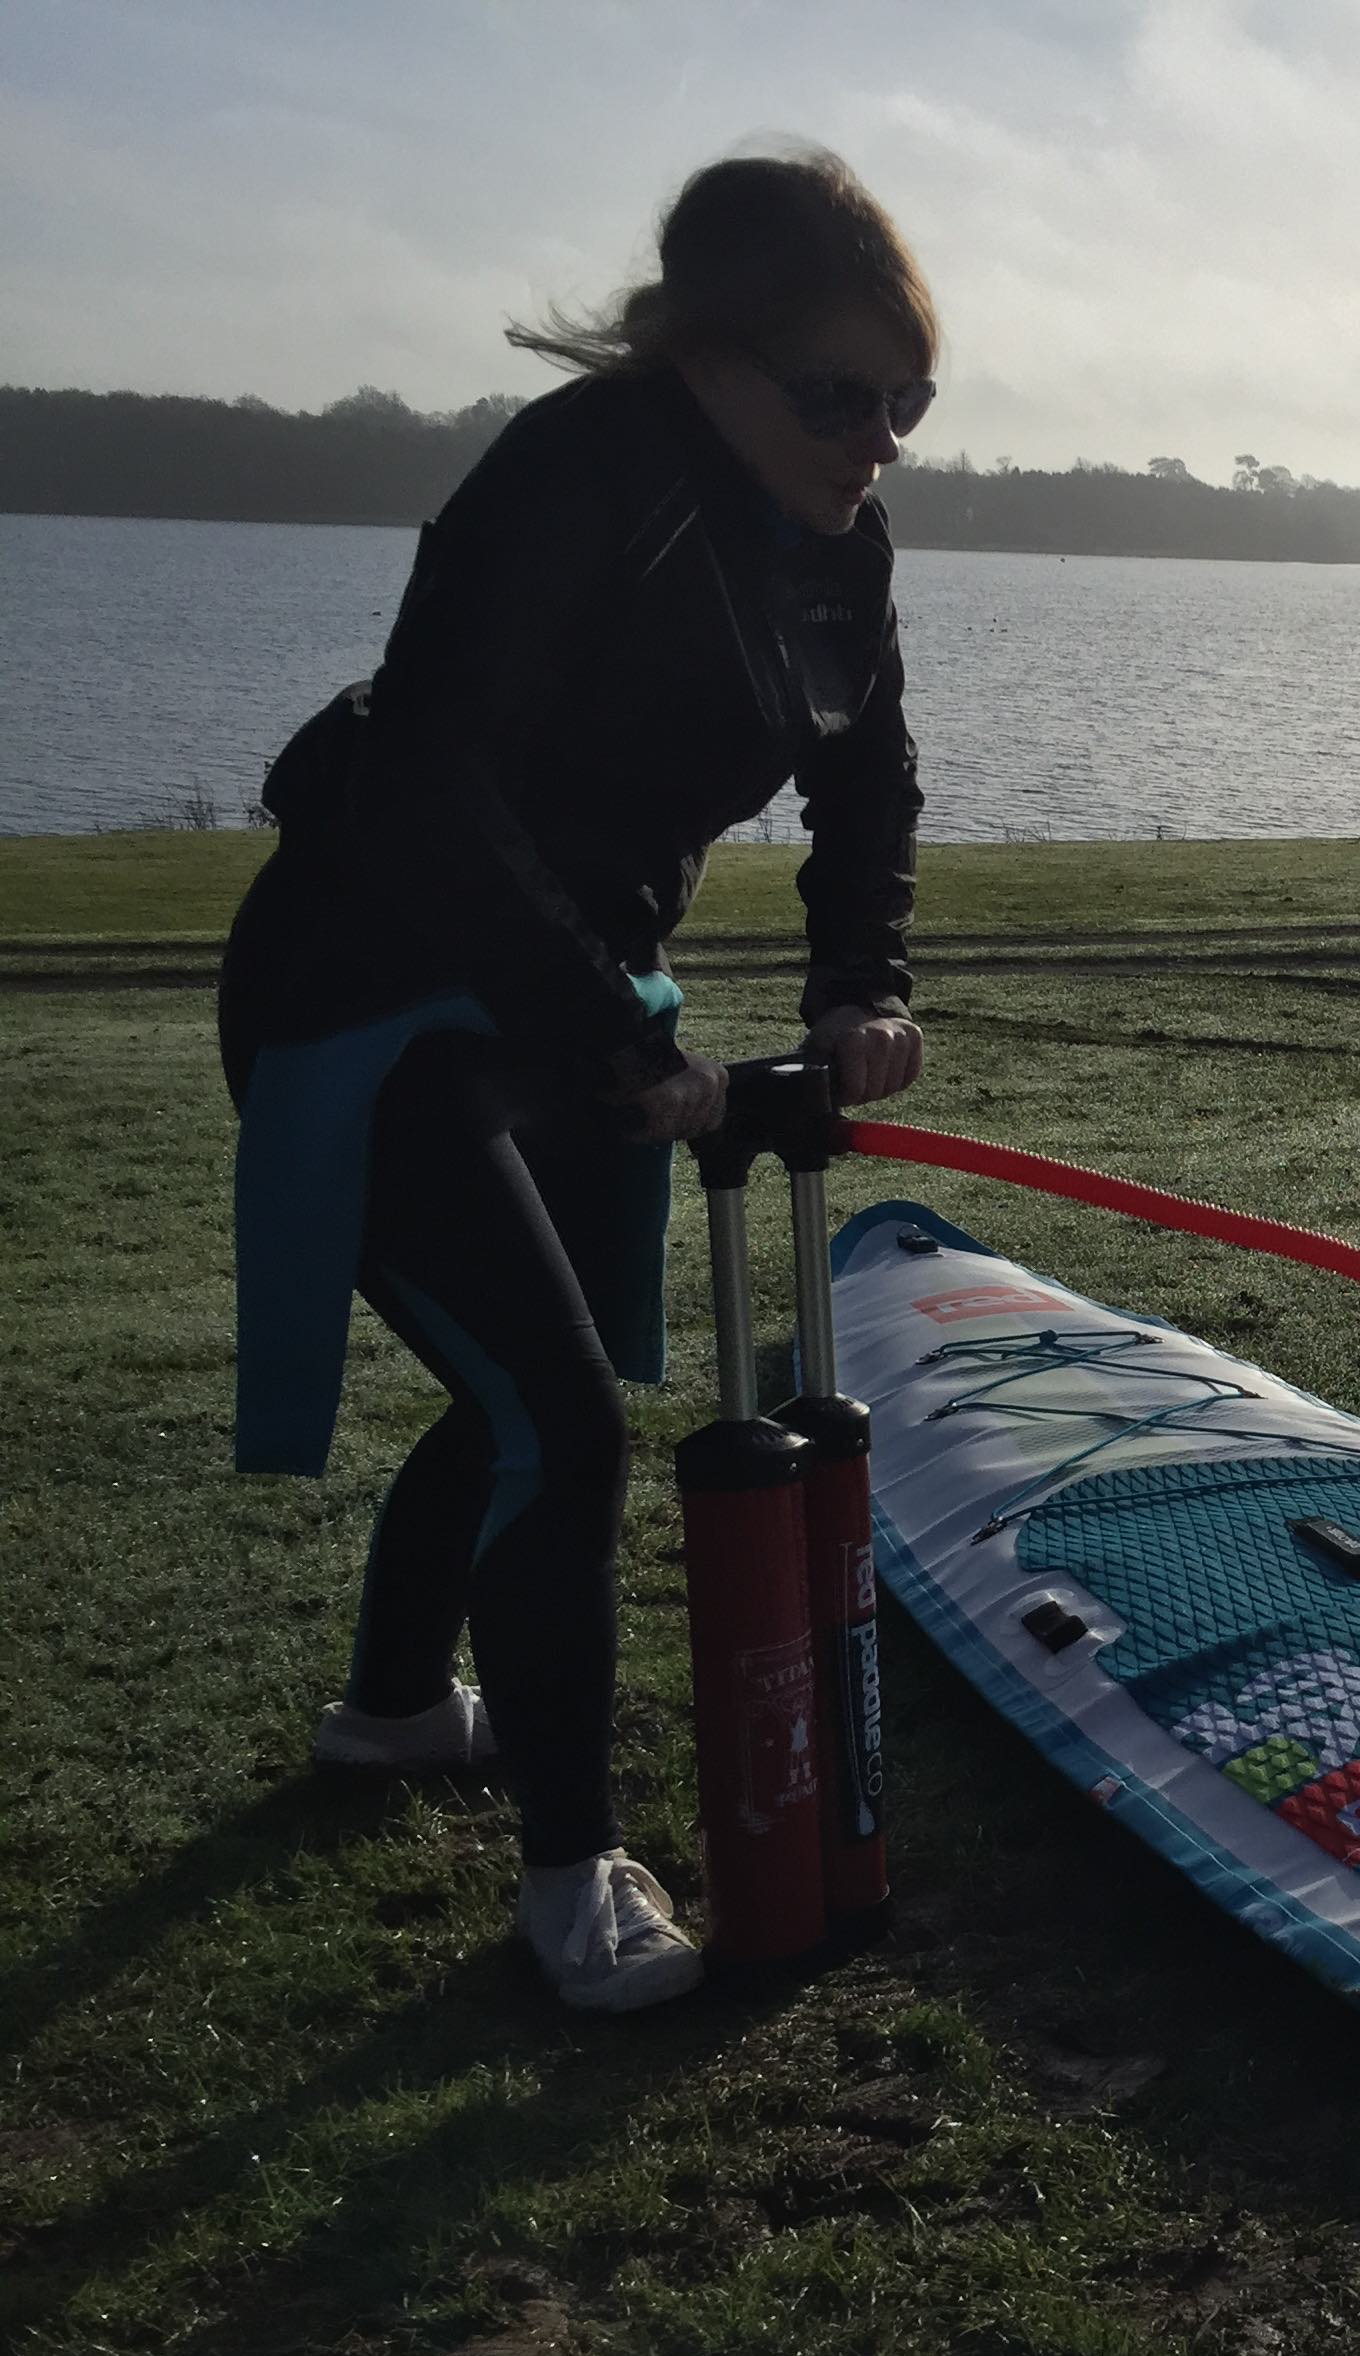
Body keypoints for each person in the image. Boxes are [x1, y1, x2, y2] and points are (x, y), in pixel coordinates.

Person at [219, 147, 936, 2011]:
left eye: (906, 402)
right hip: (371, 995)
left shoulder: (843, 546)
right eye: (838, 395)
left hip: (575, 998)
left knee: (531, 1391)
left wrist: (860, 977)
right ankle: (567, 1883)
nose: (877, 441)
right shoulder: (580, 473)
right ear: (706, 359)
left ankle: (389, 1713)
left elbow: (867, 780)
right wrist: (614, 1044)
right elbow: (426, 787)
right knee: (567, 1418)